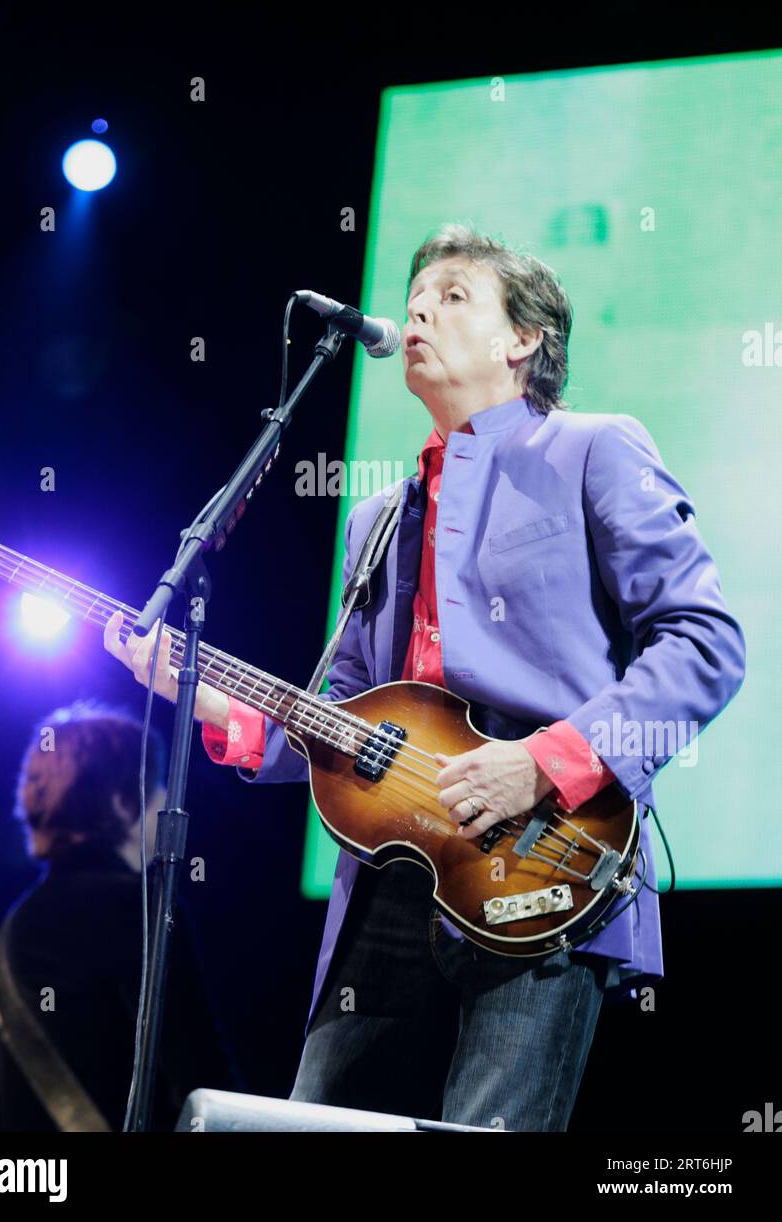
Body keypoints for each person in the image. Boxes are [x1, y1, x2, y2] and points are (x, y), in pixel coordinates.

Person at [105, 223, 746, 1130]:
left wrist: (547, 760)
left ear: (522, 339)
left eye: (452, 296)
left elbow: (706, 641)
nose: (417, 311)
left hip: (544, 851)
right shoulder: (377, 516)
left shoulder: (594, 448)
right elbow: (346, 713)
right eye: (414, 299)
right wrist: (217, 704)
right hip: (392, 871)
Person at [0, 700, 238, 1131]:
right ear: (121, 801)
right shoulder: (139, 906)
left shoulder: (8, 934)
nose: (165, 800)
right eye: (155, 784)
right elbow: (201, 1084)